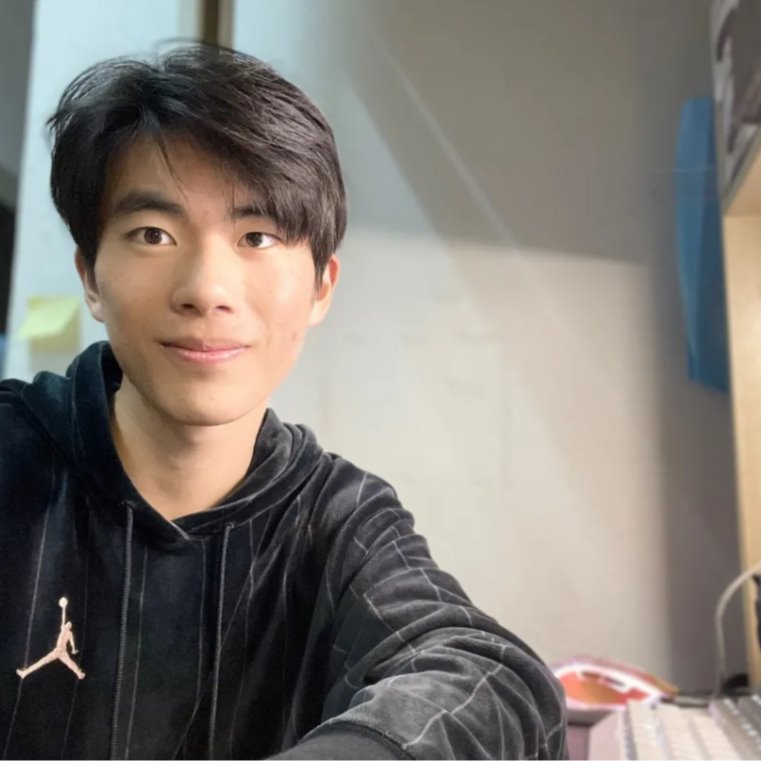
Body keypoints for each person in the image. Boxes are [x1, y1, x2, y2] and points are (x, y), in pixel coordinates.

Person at [0, 45, 566, 760]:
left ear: (322, 286)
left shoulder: (337, 522)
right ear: (91, 276)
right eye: (153, 234)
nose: (206, 289)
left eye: (257, 236)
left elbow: (486, 676)